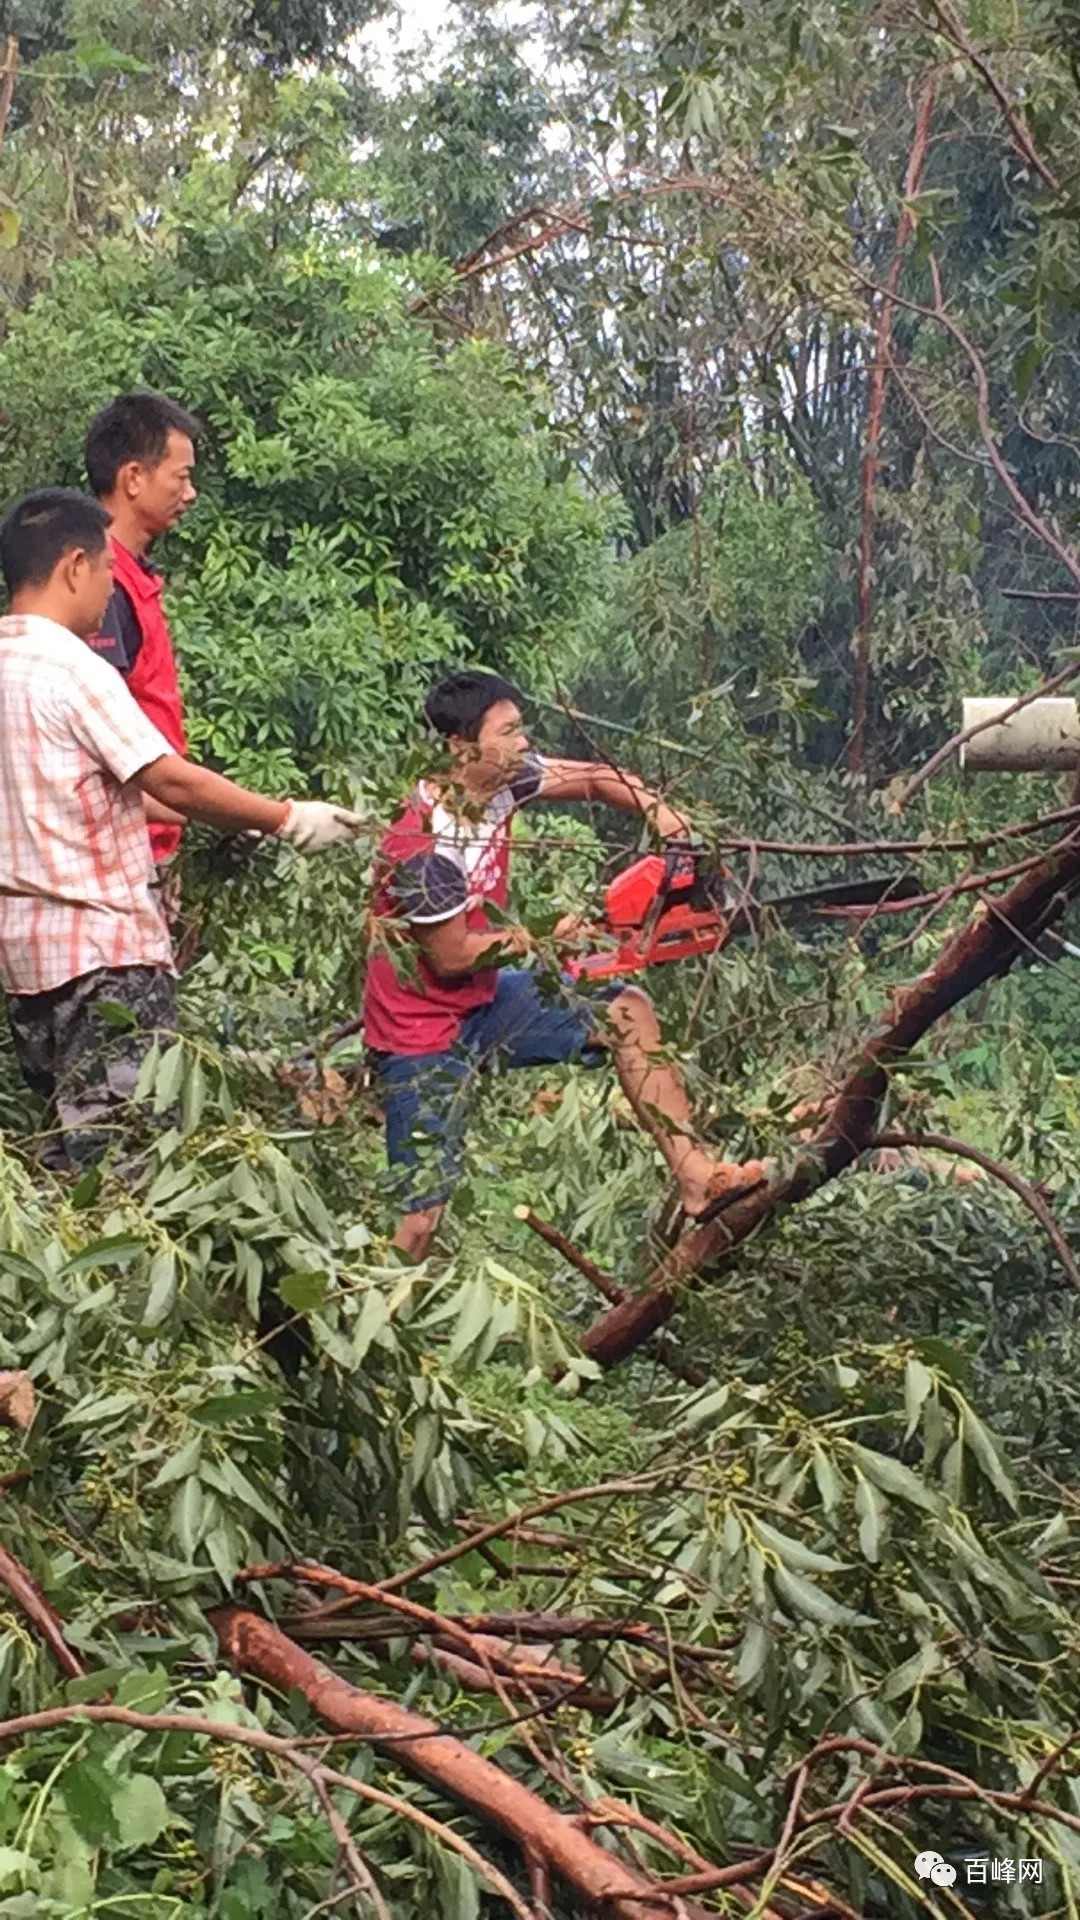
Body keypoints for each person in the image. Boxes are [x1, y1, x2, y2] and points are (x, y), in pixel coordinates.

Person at [0, 488, 362, 1166]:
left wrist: (240, 813)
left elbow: (99, 788)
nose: (112, 589)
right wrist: (288, 819)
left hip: (27, 965)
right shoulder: (76, 669)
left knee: (63, 1161)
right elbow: (167, 777)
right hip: (104, 961)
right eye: (108, 570)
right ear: (75, 566)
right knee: (126, 1167)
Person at [363, 668, 768, 1260]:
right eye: (509, 731)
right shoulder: (422, 845)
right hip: (421, 1033)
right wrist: (543, 940)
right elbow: (451, 958)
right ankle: (365, 1320)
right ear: (461, 746)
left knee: (626, 1011)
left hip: (483, 999)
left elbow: (597, 778)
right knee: (422, 1217)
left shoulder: (502, 784)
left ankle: (697, 1176)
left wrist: (666, 819)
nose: (524, 743)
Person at [84, 391, 199, 874]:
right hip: (119, 857)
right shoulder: (99, 585)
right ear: (134, 477)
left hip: (152, 842)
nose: (190, 494)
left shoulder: (135, 575)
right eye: (182, 477)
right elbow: (97, 747)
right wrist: (201, 804)